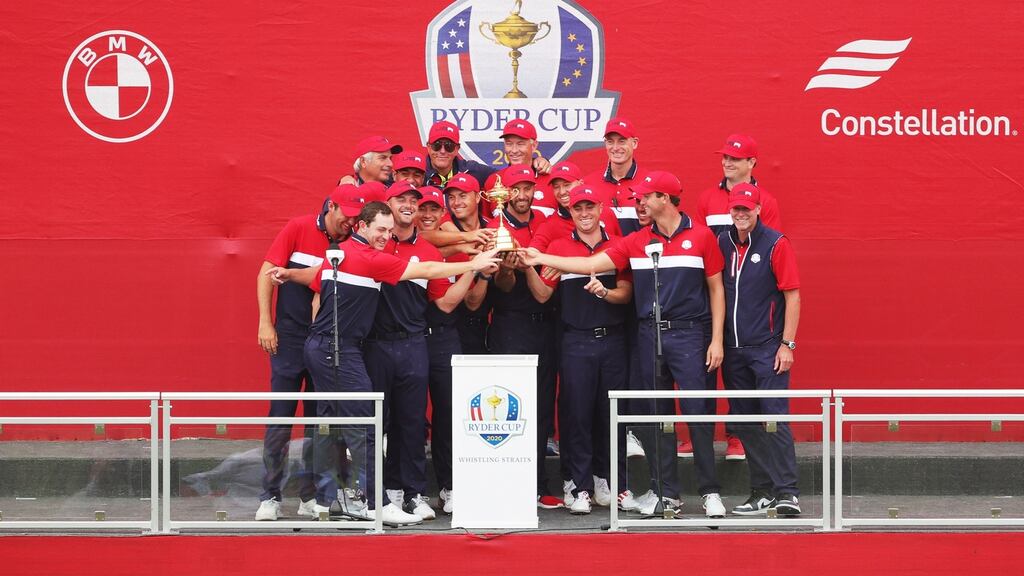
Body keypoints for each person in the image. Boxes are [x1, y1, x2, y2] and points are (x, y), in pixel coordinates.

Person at [272, 201, 500, 525]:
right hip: (336, 349)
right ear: (361, 226)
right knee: (366, 422)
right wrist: (472, 263)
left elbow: (316, 281)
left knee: (331, 423)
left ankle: (323, 500)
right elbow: (427, 270)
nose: (385, 236)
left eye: (389, 232)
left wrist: (289, 273)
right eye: (379, 229)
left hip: (327, 347)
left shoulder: (341, 252)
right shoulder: (369, 259)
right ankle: (372, 504)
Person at [519, 170, 728, 519]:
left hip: (691, 335)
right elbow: (588, 263)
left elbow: (717, 289)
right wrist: (539, 258)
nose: (640, 203)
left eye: (646, 197)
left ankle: (710, 493)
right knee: (655, 417)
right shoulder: (636, 242)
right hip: (649, 335)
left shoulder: (703, 236)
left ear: (664, 198)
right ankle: (666, 495)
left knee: (698, 414)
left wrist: (717, 339)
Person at [253, 185, 360, 521]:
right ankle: (270, 496)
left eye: (357, 218)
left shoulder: (350, 241)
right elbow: (266, 274)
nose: (351, 223)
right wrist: (265, 323)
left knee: (321, 423)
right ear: (330, 206)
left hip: (326, 341)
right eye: (347, 216)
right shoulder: (298, 228)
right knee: (281, 418)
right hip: (287, 338)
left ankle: (310, 497)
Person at [525, 185, 633, 515]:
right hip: (575, 340)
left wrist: (604, 292)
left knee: (610, 413)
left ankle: (609, 482)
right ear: (570, 211)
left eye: (589, 207)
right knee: (577, 415)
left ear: (601, 208)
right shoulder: (558, 246)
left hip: (613, 340)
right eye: (577, 208)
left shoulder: (617, 244)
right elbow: (543, 294)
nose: (584, 213)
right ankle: (579, 485)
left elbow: (626, 294)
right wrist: (527, 267)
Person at [691, 133, 783, 461]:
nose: (727, 162)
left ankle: (737, 437)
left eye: (735, 158)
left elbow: (767, 246)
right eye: (725, 157)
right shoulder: (706, 199)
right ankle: (696, 435)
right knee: (700, 368)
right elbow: (699, 244)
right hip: (710, 295)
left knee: (739, 374)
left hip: (745, 302)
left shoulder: (766, 202)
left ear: (752, 163)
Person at [717, 183, 802, 516]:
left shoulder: (776, 243)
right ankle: (762, 490)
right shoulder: (722, 241)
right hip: (733, 350)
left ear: (757, 210)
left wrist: (787, 344)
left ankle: (787, 492)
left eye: (746, 209)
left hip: (768, 349)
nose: (740, 214)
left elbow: (792, 295)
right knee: (746, 421)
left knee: (775, 419)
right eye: (735, 209)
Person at [480, 164, 561, 508]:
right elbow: (502, 285)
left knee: (542, 406)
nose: (523, 195)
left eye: (528, 188)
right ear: (505, 194)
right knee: (509, 406)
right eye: (516, 189)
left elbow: (546, 287)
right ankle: (505, 483)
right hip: (508, 324)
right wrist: (508, 270)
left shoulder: (544, 226)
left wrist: (527, 267)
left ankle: (538, 485)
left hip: (545, 323)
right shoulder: (493, 228)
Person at [416, 186, 478, 514]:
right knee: (408, 417)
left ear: (442, 214)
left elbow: (458, 302)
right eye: (419, 208)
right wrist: (474, 263)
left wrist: (473, 261)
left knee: (449, 417)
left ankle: (449, 486)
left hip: (443, 337)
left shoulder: (453, 247)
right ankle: (404, 490)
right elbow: (445, 300)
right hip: (409, 338)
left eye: (432, 209)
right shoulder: (405, 243)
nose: (426, 215)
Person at [530, 161, 622, 252]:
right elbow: (533, 253)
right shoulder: (550, 225)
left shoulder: (606, 213)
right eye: (556, 187)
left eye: (567, 185)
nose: (562, 192)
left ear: (581, 183)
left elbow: (620, 249)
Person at [583, 117, 649, 235]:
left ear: (634, 143)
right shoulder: (588, 183)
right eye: (610, 141)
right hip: (601, 253)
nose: (615, 147)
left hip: (640, 253)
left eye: (622, 141)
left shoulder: (649, 182)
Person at [482, 119, 554, 217]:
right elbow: (487, 222)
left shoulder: (552, 180)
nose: (514, 150)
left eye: (520, 144)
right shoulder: (493, 181)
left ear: (534, 145)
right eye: (509, 143)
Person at [423, 120, 494, 192]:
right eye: (437, 145)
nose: (442, 151)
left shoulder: (472, 170)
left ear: (457, 149)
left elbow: (502, 177)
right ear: (428, 147)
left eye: (449, 146)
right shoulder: (418, 174)